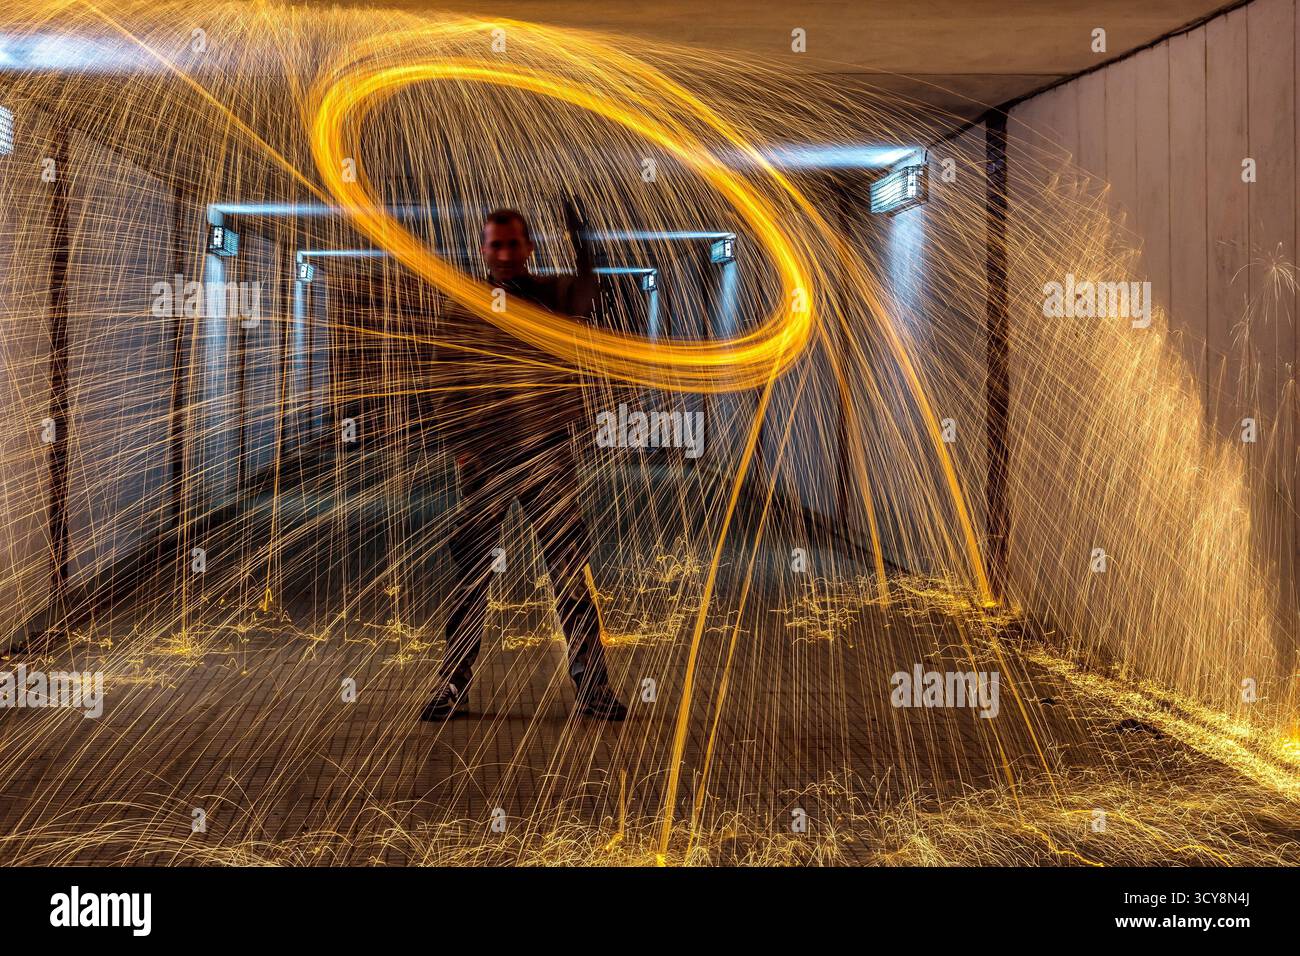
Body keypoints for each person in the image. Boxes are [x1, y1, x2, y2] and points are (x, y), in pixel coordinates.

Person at [421, 204, 627, 722]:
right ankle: (452, 686)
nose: (506, 254)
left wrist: (584, 241)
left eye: (514, 244)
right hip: (487, 459)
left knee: (569, 573)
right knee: (472, 575)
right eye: (496, 245)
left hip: (548, 455)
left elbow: (589, 294)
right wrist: (462, 445)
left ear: (529, 248)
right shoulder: (466, 306)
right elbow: (446, 380)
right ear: (484, 250)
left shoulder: (551, 294)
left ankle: (593, 689)